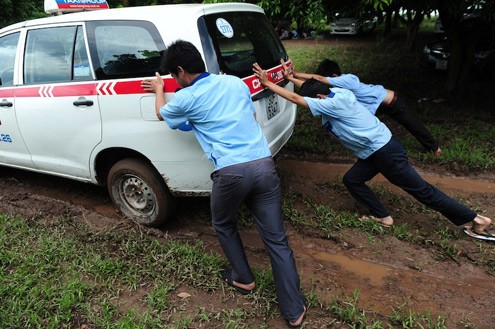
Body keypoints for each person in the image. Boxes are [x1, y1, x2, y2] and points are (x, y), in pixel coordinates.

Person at [141, 40, 306, 327]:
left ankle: (243, 278)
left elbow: (161, 114)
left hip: (231, 173)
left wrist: (158, 91)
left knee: (223, 223)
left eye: (171, 76)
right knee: (276, 239)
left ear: (180, 71)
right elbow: (248, 116)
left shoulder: (186, 98)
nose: (171, 80)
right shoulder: (233, 83)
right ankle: (294, 310)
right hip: (264, 165)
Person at [252, 60, 494, 242]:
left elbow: (297, 98)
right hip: (375, 151)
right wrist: (291, 77)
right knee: (353, 180)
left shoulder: (333, 104)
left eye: (315, 99)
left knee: (423, 192)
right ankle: (383, 216)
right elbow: (311, 87)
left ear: (320, 98)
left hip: (385, 152)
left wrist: (268, 83)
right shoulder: (340, 93)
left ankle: (475, 219)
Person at [294, 59, 442, 156]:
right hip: (375, 106)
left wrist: (295, 73)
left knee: (411, 124)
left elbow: (319, 79)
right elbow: (315, 86)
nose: (327, 84)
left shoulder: (346, 80)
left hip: (391, 102)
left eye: (329, 80)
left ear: (334, 75)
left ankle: (435, 149)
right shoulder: (337, 89)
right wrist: (291, 78)